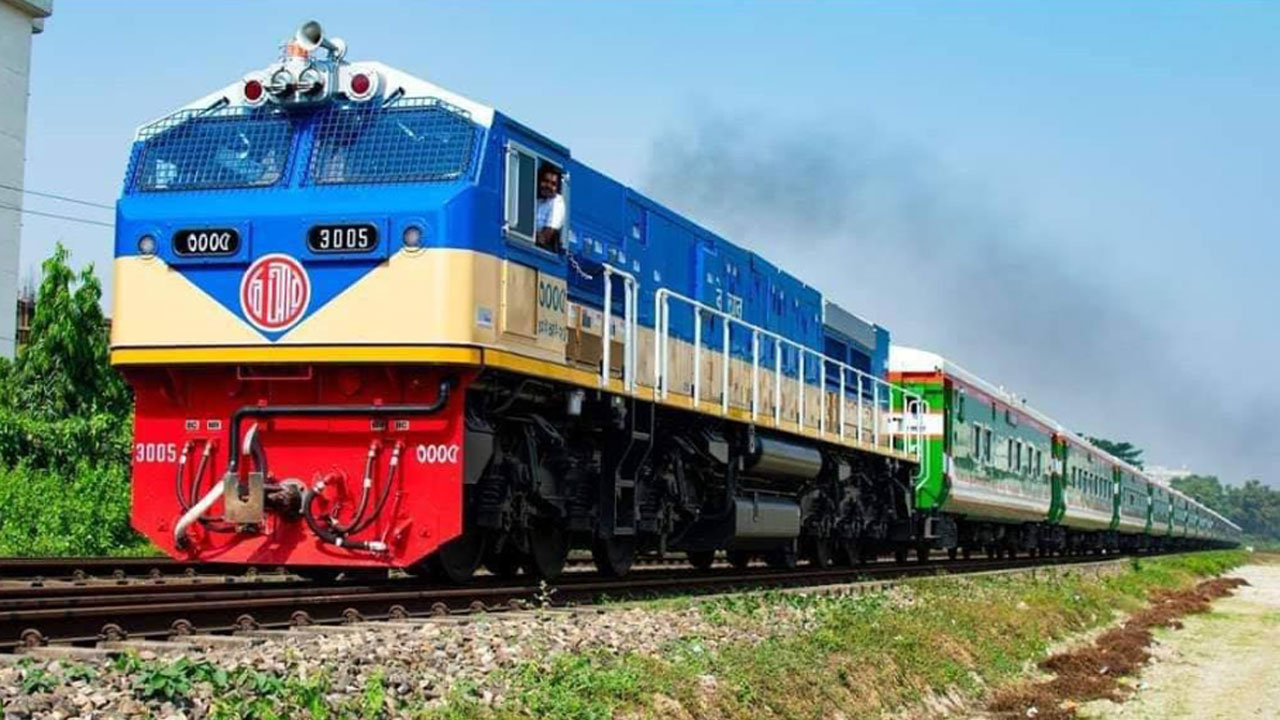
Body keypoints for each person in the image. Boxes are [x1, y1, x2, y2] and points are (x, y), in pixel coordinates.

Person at [535, 162, 565, 251]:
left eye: (553, 184)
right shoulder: (535, 199)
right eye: (545, 181)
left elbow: (544, 238)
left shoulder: (557, 202)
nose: (549, 186)